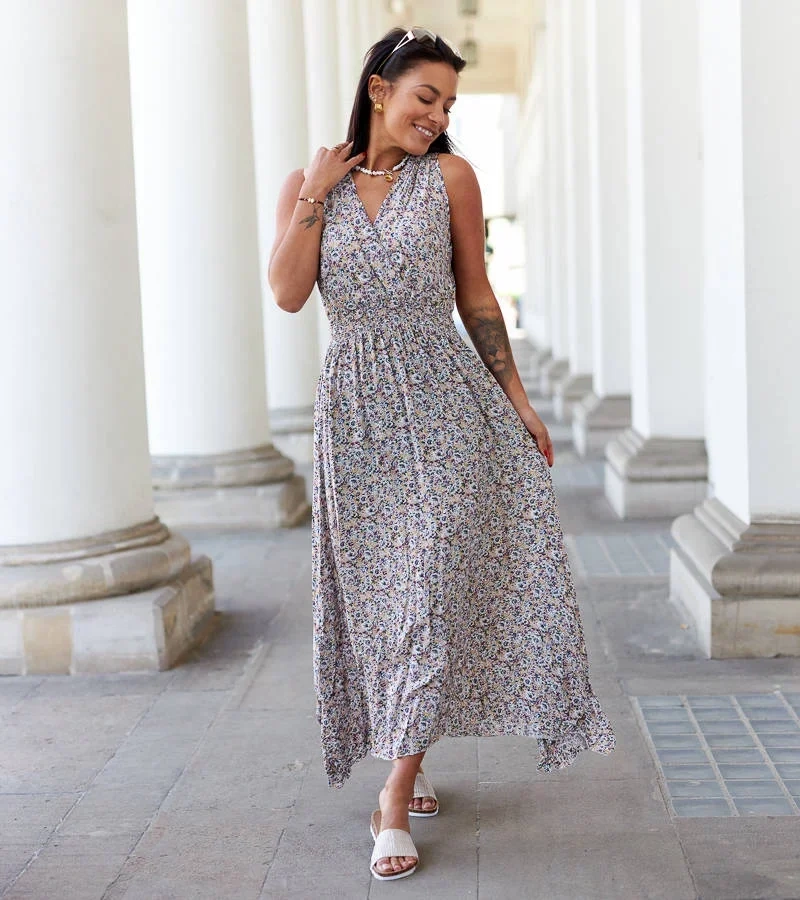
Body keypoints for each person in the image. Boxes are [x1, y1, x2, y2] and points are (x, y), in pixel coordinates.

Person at [268, 26, 616, 883]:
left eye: (450, 104)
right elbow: (286, 293)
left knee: (425, 587)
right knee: (381, 600)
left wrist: (519, 402)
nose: (438, 116)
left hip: (448, 402)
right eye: (427, 97)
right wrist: (315, 192)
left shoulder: (451, 179)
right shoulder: (310, 184)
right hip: (356, 416)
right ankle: (409, 747)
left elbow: (476, 294)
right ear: (379, 90)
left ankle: (395, 794)